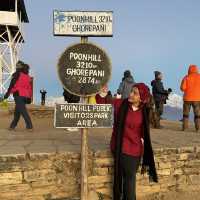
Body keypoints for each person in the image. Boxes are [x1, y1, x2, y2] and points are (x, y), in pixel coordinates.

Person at [110, 83, 158, 200]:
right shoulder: (122, 104)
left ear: (141, 97)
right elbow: (105, 103)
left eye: (135, 93)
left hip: (134, 152)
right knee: (124, 181)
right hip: (120, 148)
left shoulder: (144, 112)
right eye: (131, 91)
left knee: (129, 183)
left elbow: (144, 133)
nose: (130, 94)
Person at [4, 60, 33, 131]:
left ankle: (29, 126)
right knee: (17, 112)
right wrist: (29, 97)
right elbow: (29, 88)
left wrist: (7, 94)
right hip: (25, 96)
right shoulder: (28, 77)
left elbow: (11, 85)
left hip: (18, 95)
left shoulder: (16, 74)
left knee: (23, 111)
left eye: (17, 65)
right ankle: (12, 126)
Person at [180, 64, 200, 132]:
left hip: (187, 99)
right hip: (197, 99)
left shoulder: (186, 77)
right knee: (197, 114)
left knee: (186, 114)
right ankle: (198, 129)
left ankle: (185, 128)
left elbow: (182, 88)